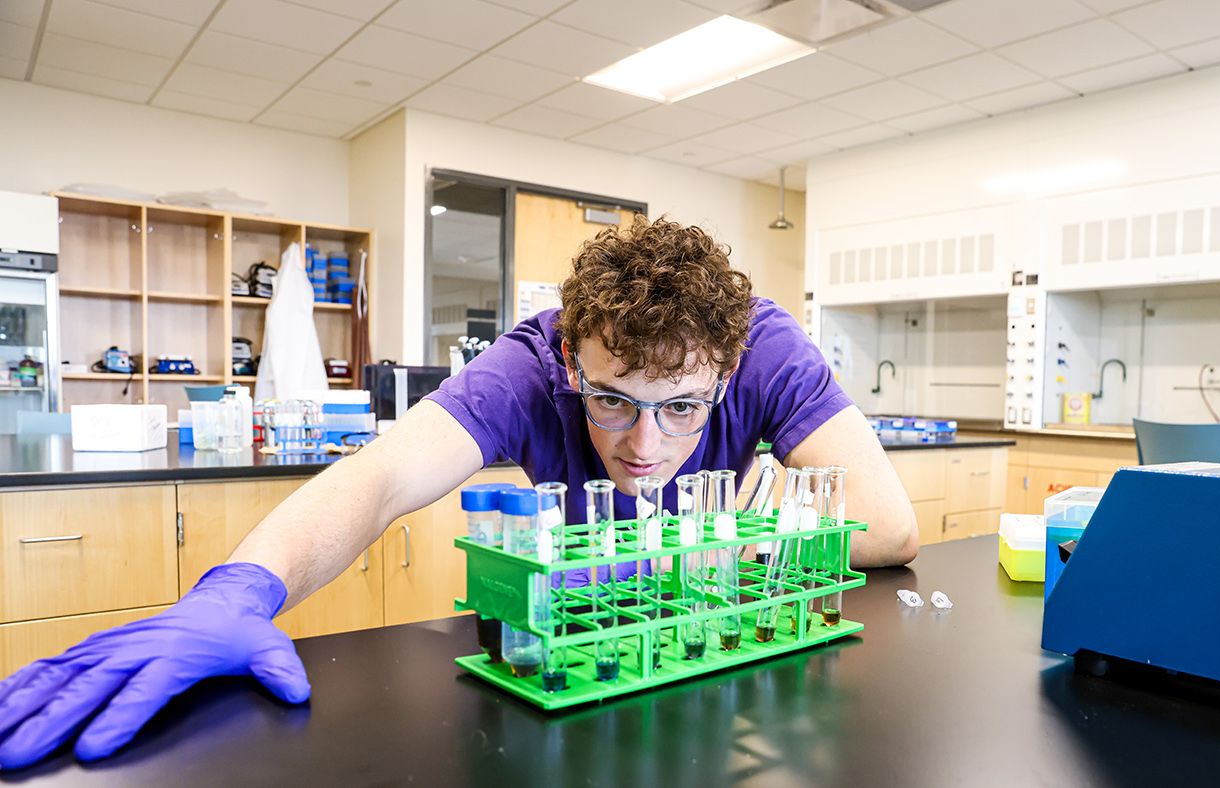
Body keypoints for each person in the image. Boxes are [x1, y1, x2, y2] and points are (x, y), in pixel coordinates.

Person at [0, 216, 919, 770]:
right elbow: (380, 477)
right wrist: (243, 586)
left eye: (684, 408)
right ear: (571, 360)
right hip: (582, 672)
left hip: (724, 667)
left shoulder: (767, 347)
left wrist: (753, 526)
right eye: (611, 401)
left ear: (728, 370)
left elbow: (890, 525)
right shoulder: (527, 366)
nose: (646, 446)